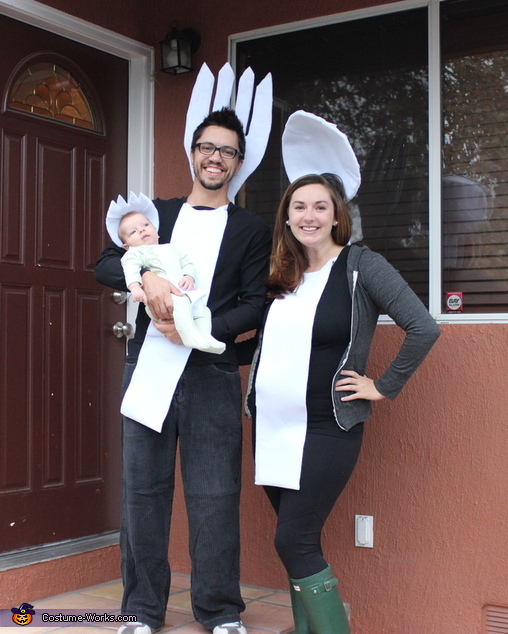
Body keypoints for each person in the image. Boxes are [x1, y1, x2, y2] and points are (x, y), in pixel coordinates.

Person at [95, 107, 272, 634]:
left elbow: (255, 303)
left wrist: (201, 323)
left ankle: (220, 613)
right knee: (143, 494)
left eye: (228, 151)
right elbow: (107, 260)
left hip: (211, 372)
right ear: (193, 152)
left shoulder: (250, 229)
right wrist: (145, 280)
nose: (216, 157)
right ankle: (141, 613)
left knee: (215, 495)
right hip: (148, 369)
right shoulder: (160, 214)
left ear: (238, 163)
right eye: (207, 147)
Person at [246, 172, 440, 634]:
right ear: (286, 217)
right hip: (271, 426)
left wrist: (383, 385)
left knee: (293, 539)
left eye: (319, 206)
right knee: (296, 543)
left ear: (337, 215)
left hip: (326, 425)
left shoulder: (361, 266)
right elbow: (262, 342)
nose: (308, 215)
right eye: (298, 207)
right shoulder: (282, 272)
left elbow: (423, 327)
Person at [117, 209, 225, 355]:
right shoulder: (136, 253)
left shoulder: (171, 248)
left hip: (182, 292)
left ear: (156, 231)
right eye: (133, 232)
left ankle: (205, 337)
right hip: (161, 301)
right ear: (127, 246)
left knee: (203, 311)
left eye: (145, 225)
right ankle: (190, 336)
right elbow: (130, 269)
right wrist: (135, 287)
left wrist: (189, 276)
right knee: (181, 306)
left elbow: (187, 263)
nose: (142, 230)